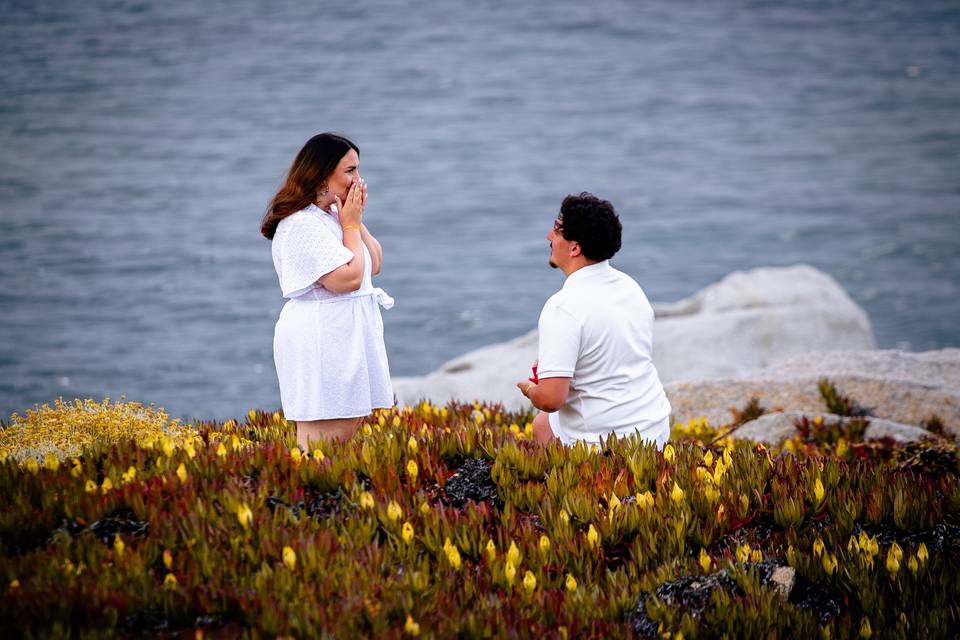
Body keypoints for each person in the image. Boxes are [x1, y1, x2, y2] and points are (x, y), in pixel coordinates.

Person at [261, 133, 394, 448]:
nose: (358, 179)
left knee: (344, 427)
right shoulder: (300, 225)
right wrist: (349, 225)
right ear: (322, 174)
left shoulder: (331, 215)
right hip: (321, 338)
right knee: (325, 435)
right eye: (350, 171)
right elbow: (347, 279)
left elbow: (373, 262)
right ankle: (303, 487)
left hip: (344, 334)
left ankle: (311, 486)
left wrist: (354, 220)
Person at [516, 192, 671, 448]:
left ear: (574, 248)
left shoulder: (562, 307)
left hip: (605, 446)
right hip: (655, 432)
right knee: (544, 424)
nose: (548, 237)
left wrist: (531, 390)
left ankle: (577, 486)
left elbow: (551, 400)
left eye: (556, 230)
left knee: (541, 423)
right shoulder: (630, 287)